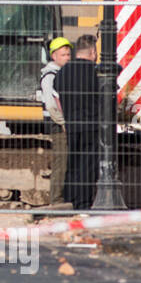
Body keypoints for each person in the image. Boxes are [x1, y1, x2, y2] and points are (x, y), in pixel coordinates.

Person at [55, 34, 101, 210]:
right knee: (87, 166)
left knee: (72, 163)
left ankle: (70, 200)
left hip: (72, 124)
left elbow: (57, 97)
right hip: (92, 125)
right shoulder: (97, 72)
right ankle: (83, 204)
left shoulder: (63, 72)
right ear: (92, 51)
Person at [38, 36, 73, 207]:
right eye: (63, 55)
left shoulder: (61, 74)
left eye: (68, 54)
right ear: (54, 56)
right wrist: (63, 122)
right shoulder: (50, 76)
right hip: (59, 126)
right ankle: (56, 201)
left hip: (62, 124)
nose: (67, 57)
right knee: (61, 162)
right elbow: (52, 105)